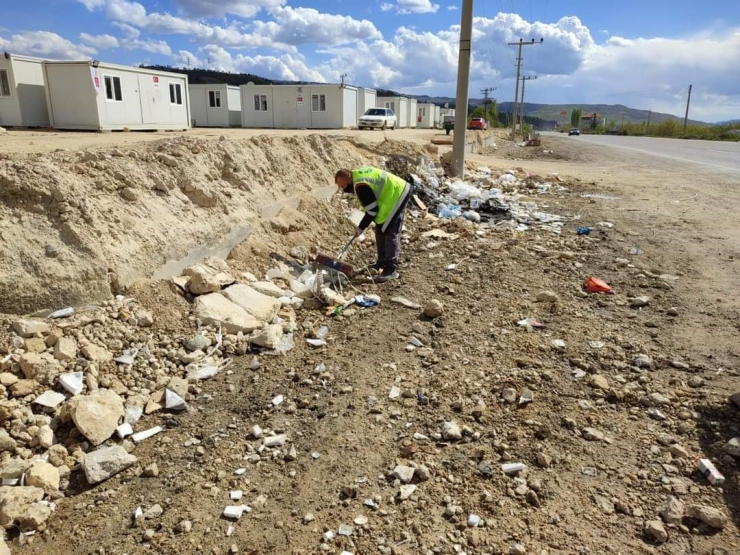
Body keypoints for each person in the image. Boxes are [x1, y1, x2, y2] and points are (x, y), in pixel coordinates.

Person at [334, 166, 413, 282]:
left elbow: (372, 211)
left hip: (398, 194)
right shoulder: (357, 175)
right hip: (391, 194)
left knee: (390, 231)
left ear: (349, 179)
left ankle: (390, 269)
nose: (344, 190)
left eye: (344, 186)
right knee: (381, 228)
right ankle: (381, 263)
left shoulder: (360, 185)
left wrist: (361, 228)